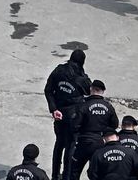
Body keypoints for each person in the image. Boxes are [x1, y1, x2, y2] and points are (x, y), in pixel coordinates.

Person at [45, 49, 91, 180]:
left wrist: (54, 109)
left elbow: (48, 90)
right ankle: (66, 176)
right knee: (71, 146)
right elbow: (89, 90)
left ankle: (55, 175)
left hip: (59, 114)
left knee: (59, 144)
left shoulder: (58, 71)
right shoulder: (81, 78)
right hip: (74, 116)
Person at [73, 80, 118, 180]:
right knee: (98, 172)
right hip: (100, 142)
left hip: (84, 142)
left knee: (74, 170)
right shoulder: (108, 106)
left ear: (91, 89)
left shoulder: (84, 105)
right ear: (103, 91)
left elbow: (75, 125)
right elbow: (114, 124)